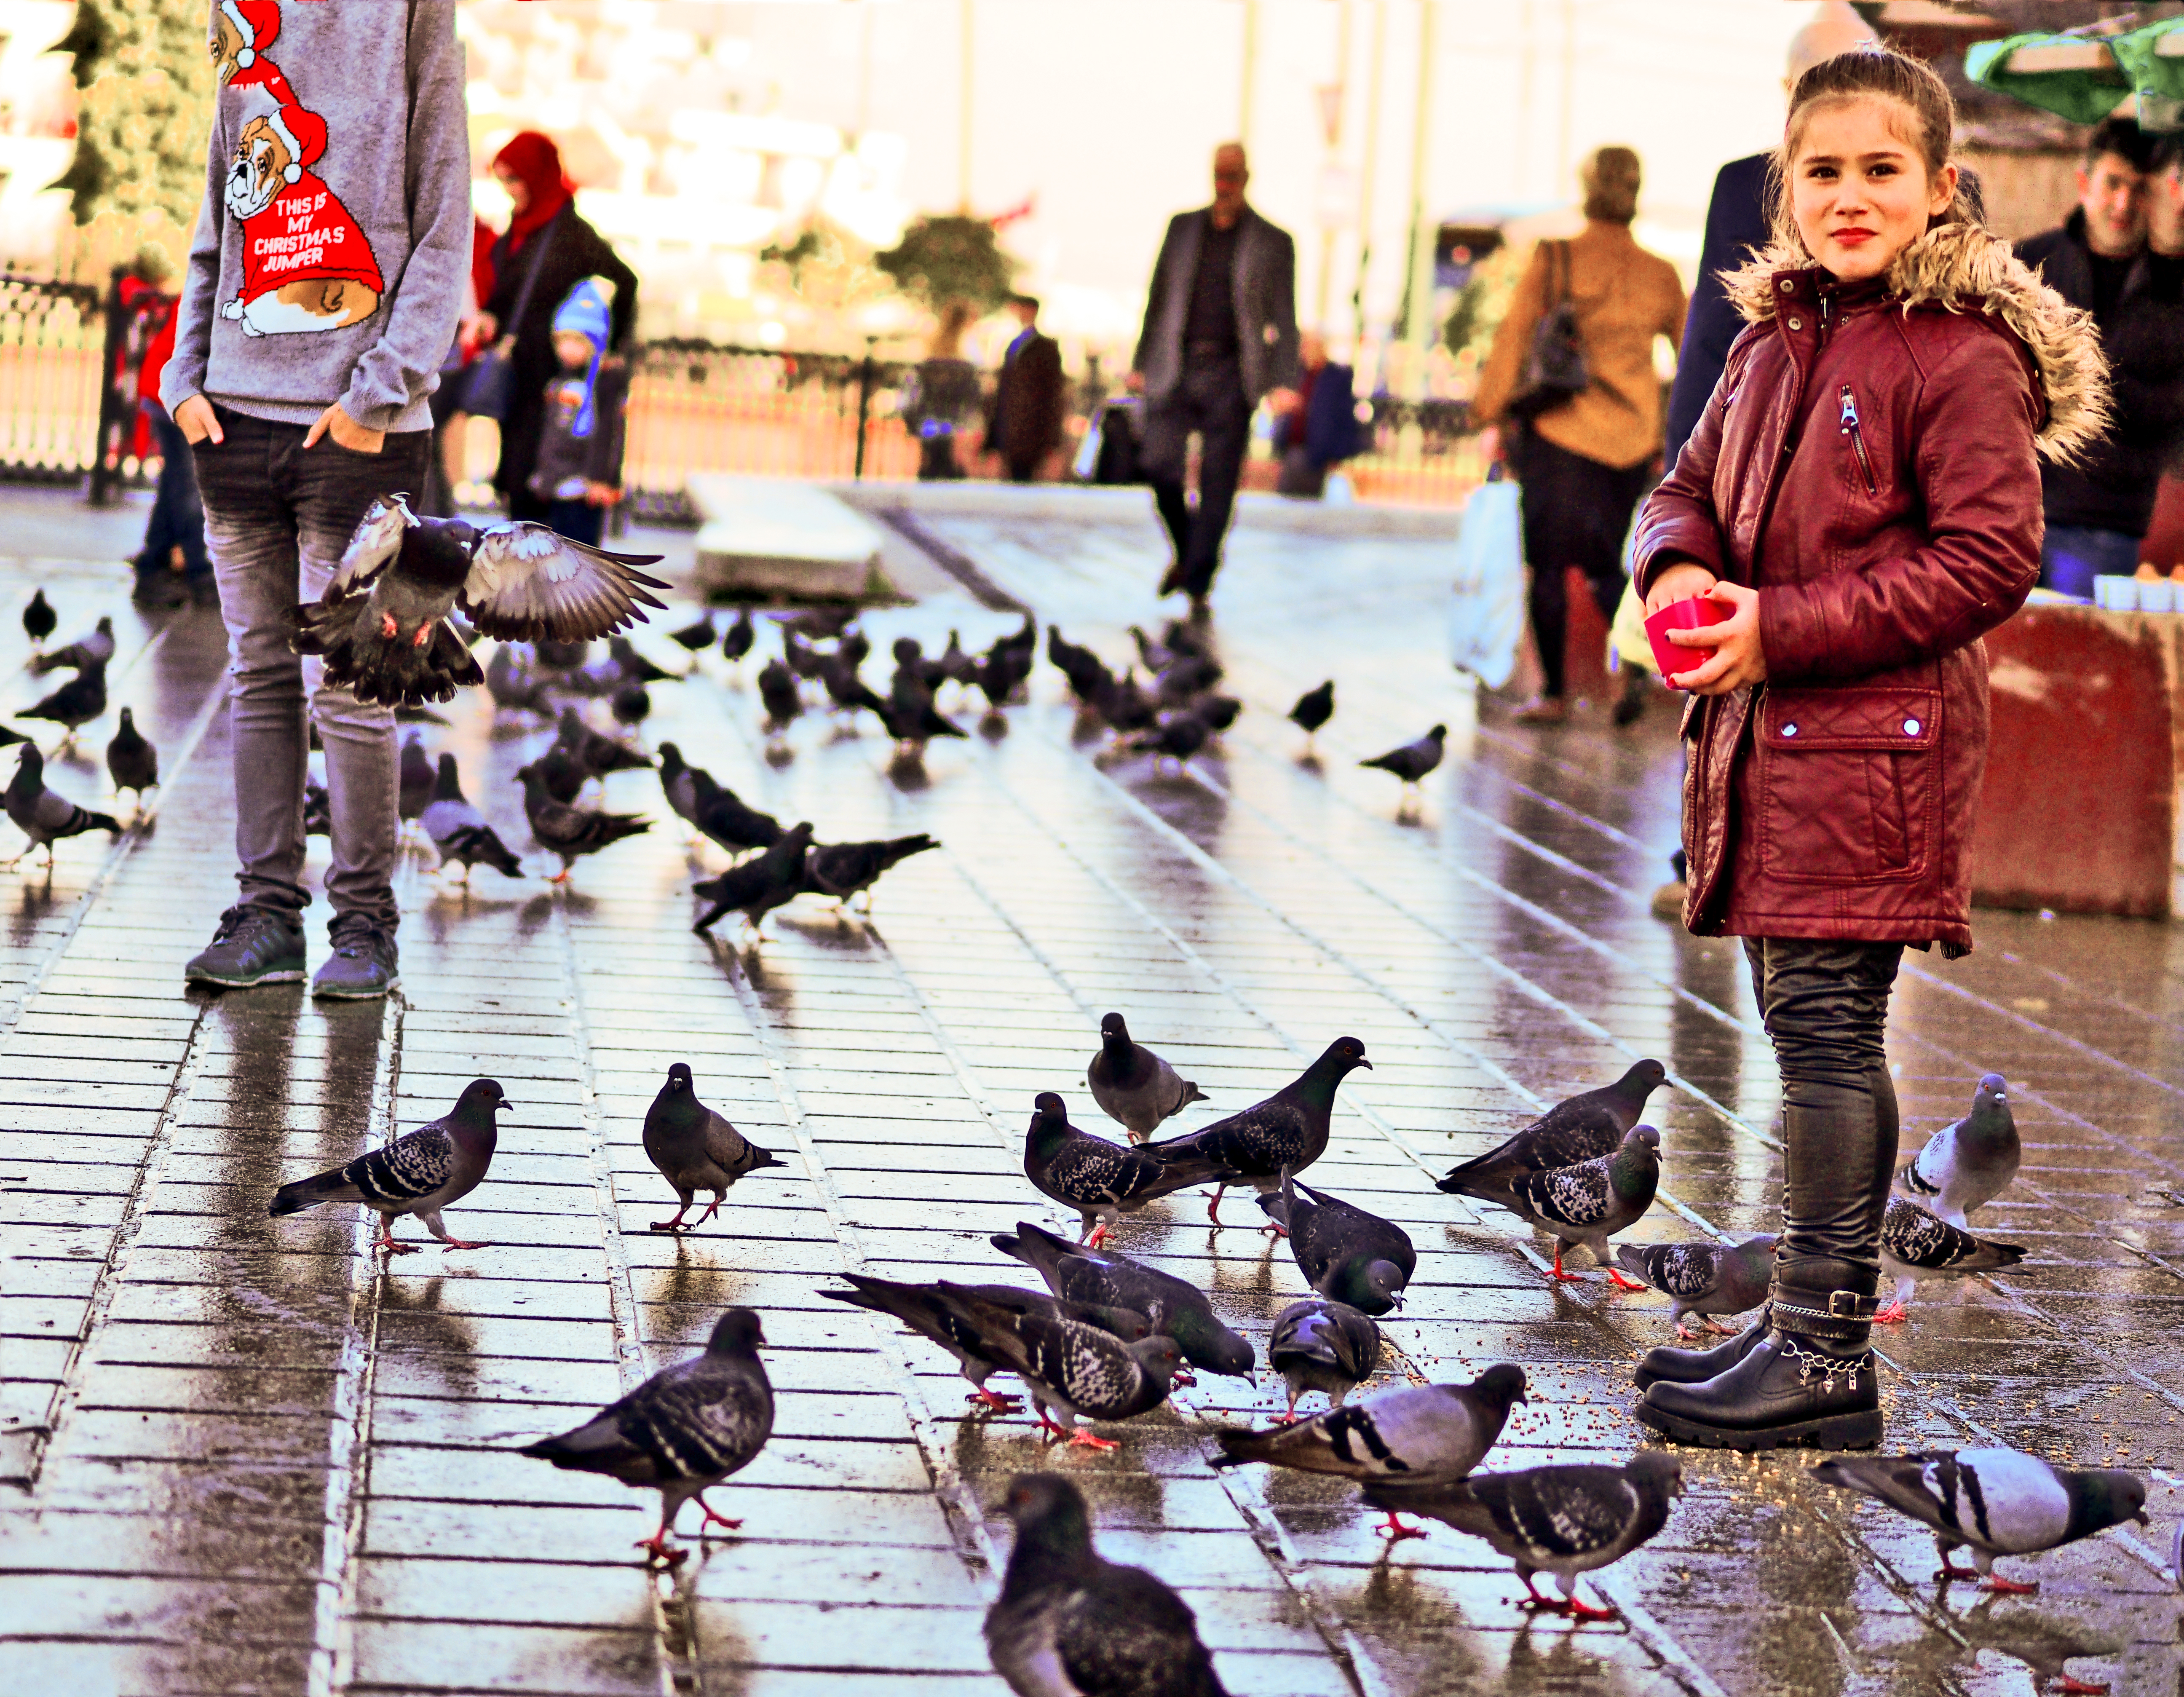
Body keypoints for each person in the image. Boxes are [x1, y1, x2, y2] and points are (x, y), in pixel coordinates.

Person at [1627, 49, 2104, 1451]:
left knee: (1831, 1033)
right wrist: (1671, 572)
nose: (1848, 195)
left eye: (1879, 169)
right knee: (1800, 1027)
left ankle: (1825, 1353)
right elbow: (1681, 488)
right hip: (1773, 743)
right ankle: (1795, 1328)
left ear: (1939, 189)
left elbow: (1988, 557)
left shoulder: (1955, 356)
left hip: (1870, 749)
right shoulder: (1772, 342)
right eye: (1821, 171)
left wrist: (1781, 625)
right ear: (1785, 185)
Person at [163, 0, 471, 999]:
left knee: (350, 686)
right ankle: (266, 915)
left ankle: (366, 926)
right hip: (233, 417)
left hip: (357, 425)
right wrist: (185, 373)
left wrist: (381, 391)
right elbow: (223, 203)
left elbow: (445, 210)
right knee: (259, 674)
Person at [1475, 147, 1685, 725]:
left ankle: (1554, 695)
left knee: (1546, 563)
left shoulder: (1558, 257)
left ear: (1588, 189)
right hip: (1630, 440)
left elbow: (1517, 335)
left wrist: (1488, 409)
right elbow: (1692, 357)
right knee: (1601, 563)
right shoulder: (1661, 274)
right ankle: (1640, 670)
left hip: (1561, 431)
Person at [1130, 142, 1299, 612]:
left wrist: (1285, 379)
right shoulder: (1182, 228)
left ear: (1247, 178)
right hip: (1177, 366)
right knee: (1158, 463)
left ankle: (1198, 579)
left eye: (1234, 177)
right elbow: (1157, 297)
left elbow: (1285, 317)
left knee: (1219, 481)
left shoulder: (1274, 240)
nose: (1225, 185)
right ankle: (1189, 555)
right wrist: (1142, 362)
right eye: (1219, 176)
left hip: (1233, 371)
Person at [2018, 115, 2164, 597]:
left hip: (2113, 527)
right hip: (2015, 516)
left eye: (2139, 189)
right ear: (2084, 184)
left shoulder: (2173, 285)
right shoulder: (2027, 268)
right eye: (2113, 184)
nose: (2123, 204)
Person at [473, 131, 638, 525]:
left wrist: (610, 349)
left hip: (552, 372)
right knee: (515, 470)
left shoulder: (571, 232)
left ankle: (540, 567)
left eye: (517, 180)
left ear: (538, 176)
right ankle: (520, 558)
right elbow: (507, 291)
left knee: (536, 474)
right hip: (517, 368)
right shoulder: (519, 227)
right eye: (505, 182)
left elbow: (626, 281)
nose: (511, 191)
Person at [116, 251, 211, 609]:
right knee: (189, 487)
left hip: (167, 390)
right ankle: (199, 573)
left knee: (176, 483)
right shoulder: (222, 283)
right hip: (174, 394)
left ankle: (152, 566)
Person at [526, 280, 630, 548]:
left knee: (582, 552)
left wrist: (602, 480)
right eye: (563, 341)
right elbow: (551, 434)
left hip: (585, 489)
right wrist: (544, 476)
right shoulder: (561, 381)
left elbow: (611, 435)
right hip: (557, 485)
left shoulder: (606, 383)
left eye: (578, 342)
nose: (567, 350)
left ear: (595, 343)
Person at [985, 293, 1066, 483]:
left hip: (1030, 430)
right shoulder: (1015, 344)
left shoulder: (1045, 348)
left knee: (1023, 478)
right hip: (1010, 426)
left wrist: (1051, 438)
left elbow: (1053, 394)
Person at [1273, 329, 1361, 498]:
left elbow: (1344, 419)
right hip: (1291, 451)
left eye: (1309, 346)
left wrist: (1338, 455)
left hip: (1317, 456)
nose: (1305, 351)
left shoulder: (1337, 377)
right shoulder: (1297, 374)